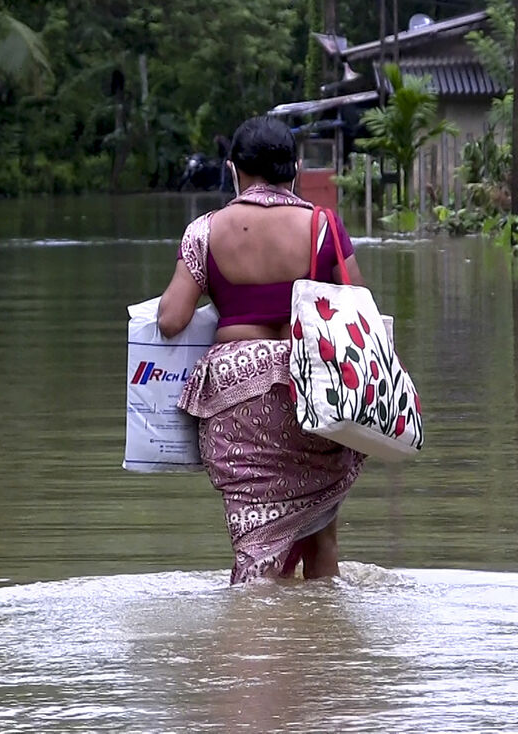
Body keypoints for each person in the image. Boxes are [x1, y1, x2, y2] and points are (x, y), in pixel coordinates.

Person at [158, 116, 365, 584]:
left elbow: (172, 320)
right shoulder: (324, 228)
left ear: (234, 170)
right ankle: (320, 645)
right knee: (322, 538)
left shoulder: (205, 232)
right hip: (313, 398)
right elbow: (358, 308)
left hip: (238, 404)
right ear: (293, 169)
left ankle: (252, 640)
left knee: (255, 546)